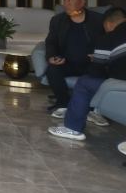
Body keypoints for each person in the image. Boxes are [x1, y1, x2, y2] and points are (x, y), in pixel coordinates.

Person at [48, 7, 126, 141]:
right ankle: (95, 112)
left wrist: (97, 59)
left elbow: (96, 72)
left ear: (108, 24)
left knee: (85, 83)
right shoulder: (59, 21)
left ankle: (72, 128)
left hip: (122, 85)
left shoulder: (108, 39)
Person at [44, 0, 104, 112]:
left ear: (82, 2)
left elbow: (108, 42)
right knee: (52, 70)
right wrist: (51, 57)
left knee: (100, 71)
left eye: (69, 0)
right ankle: (63, 104)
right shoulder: (58, 20)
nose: (65, 4)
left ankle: (92, 108)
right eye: (64, 0)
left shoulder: (98, 20)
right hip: (67, 63)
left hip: (90, 63)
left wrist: (99, 56)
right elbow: (51, 42)